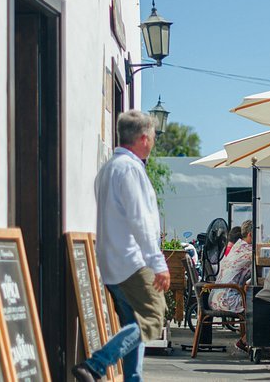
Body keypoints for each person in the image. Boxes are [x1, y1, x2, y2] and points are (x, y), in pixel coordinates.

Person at [73, 110, 169, 382]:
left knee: (133, 325)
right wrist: (158, 262)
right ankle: (96, 365)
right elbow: (141, 220)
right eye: (152, 136)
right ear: (143, 138)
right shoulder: (129, 169)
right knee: (152, 319)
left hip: (112, 260)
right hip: (132, 261)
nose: (152, 141)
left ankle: (131, 379)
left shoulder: (107, 169)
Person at [209, 220, 254, 351]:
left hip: (217, 296)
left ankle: (249, 340)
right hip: (227, 299)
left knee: (256, 299)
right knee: (261, 305)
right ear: (251, 234)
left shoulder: (238, 246)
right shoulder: (248, 252)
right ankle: (245, 341)